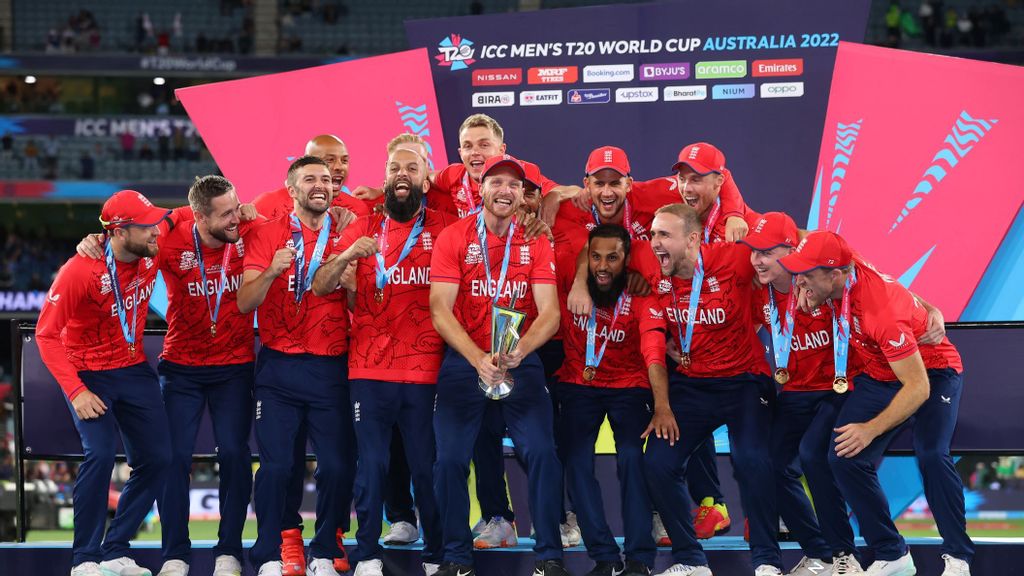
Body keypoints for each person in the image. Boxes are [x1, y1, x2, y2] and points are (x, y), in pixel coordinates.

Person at [780, 232, 972, 576]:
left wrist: (870, 430)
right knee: (842, 456)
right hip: (879, 372)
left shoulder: (879, 311)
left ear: (835, 275)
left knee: (931, 452)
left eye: (807, 274)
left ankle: (958, 558)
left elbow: (917, 388)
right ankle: (893, 553)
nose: (799, 279)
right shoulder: (842, 258)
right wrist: (928, 306)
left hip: (932, 371)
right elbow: (804, 237)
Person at [312, 147, 449, 576]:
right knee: (371, 463)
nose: (402, 174)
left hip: (427, 372)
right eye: (394, 168)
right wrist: (349, 256)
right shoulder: (360, 227)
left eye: (412, 168)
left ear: (427, 182)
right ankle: (367, 553)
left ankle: (437, 553)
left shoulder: (448, 231)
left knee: (428, 467)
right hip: (369, 370)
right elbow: (322, 286)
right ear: (384, 179)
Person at [429, 155, 566, 576]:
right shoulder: (454, 236)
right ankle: (455, 556)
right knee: (450, 459)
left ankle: (549, 555)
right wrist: (476, 359)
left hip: (518, 361)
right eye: (496, 183)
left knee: (542, 452)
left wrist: (518, 352)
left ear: (522, 194)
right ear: (480, 189)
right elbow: (439, 308)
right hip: (464, 360)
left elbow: (551, 313)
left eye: (514, 185)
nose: (505, 191)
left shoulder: (536, 240)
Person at [238, 156, 371, 576]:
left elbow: (359, 303)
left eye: (327, 180)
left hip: (332, 366)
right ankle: (272, 551)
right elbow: (244, 302)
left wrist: (352, 292)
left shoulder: (351, 229)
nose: (321, 185)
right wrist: (271, 272)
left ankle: (324, 547)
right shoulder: (265, 232)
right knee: (278, 466)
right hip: (278, 368)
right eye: (309, 179)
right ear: (291, 190)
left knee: (337, 464)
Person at [634, 204, 782, 576]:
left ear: (694, 238)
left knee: (751, 460)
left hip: (745, 380)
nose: (655, 244)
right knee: (657, 462)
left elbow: (794, 243)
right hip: (692, 384)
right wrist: (662, 406)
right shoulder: (655, 272)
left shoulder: (734, 258)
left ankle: (767, 561)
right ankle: (690, 559)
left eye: (664, 235)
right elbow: (652, 343)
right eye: (652, 235)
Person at [37, 190, 172, 576]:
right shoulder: (80, 270)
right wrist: (76, 392)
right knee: (98, 455)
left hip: (132, 368)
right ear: (119, 231)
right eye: (146, 225)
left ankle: (115, 550)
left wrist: (243, 209)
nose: (156, 232)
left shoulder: (151, 246)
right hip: (88, 373)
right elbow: (46, 336)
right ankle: (84, 559)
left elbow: (188, 214)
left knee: (159, 459)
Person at [556, 223, 672, 576]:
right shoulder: (572, 284)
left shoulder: (641, 296)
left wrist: (662, 405)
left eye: (612, 258)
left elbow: (653, 353)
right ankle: (604, 557)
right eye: (595, 258)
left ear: (626, 260)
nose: (602, 266)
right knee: (575, 463)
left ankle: (639, 559)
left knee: (632, 460)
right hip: (578, 383)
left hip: (629, 386)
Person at [742, 213, 852, 576]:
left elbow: (862, 271)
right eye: (753, 251)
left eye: (766, 252)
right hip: (793, 391)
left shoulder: (822, 278)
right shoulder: (761, 291)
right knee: (770, 463)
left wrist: (927, 308)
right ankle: (819, 554)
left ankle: (843, 555)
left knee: (811, 455)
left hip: (836, 390)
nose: (756, 259)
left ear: (791, 250)